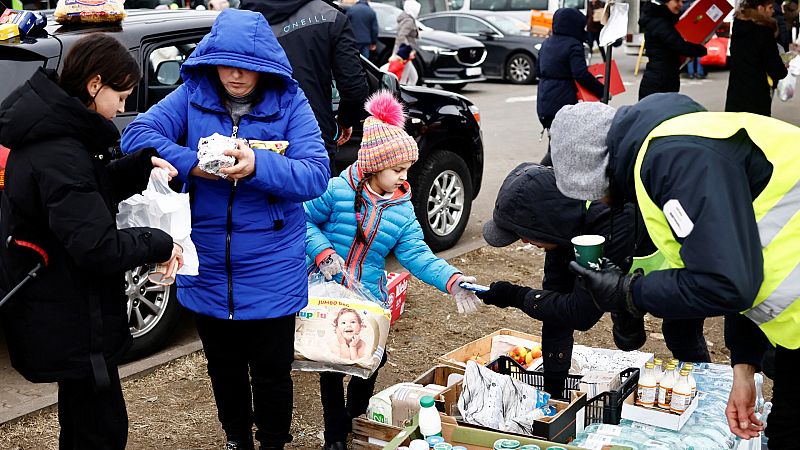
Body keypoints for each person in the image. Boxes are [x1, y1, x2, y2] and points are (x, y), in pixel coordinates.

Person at [120, 10, 330, 450]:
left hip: (272, 265)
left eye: (247, 65)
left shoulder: (289, 102)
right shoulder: (193, 95)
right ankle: (237, 438)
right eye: (226, 63)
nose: (235, 74)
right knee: (223, 368)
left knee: (272, 372)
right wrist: (190, 162)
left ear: (265, 65)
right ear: (210, 60)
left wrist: (258, 164)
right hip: (208, 263)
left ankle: (273, 441)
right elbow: (137, 135)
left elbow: (314, 174)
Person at [547, 94, 800, 449]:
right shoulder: (677, 142)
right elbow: (744, 259)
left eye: (594, 194)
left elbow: (725, 281)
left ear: (594, 169)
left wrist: (627, 292)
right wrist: (745, 366)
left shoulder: (673, 159)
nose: (603, 203)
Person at [0, 33, 180, 449]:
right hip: (71, 312)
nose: (122, 107)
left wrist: (136, 168)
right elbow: (96, 245)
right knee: (99, 431)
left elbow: (83, 197)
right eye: (121, 95)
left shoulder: (59, 136)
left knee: (86, 422)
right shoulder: (59, 150)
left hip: (66, 305)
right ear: (95, 84)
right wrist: (159, 241)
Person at [304, 91, 482, 450]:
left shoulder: (401, 210)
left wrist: (452, 280)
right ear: (373, 165)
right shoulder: (337, 190)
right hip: (328, 295)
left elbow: (418, 255)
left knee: (371, 359)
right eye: (397, 169)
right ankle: (335, 435)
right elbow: (302, 219)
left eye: (406, 170)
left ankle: (355, 416)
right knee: (329, 364)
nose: (405, 177)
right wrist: (322, 251)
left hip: (369, 299)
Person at [475, 163, 710, 398]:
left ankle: (707, 397)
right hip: (626, 270)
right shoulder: (559, 231)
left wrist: (514, 296)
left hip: (683, 263)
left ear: (546, 221)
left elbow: (581, 313)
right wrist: (553, 394)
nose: (524, 242)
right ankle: (626, 308)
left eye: (522, 234)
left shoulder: (610, 219)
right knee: (627, 338)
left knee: (681, 334)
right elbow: (557, 311)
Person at [241, 0, 370, 175]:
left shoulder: (243, 18)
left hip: (255, 139)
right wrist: (345, 121)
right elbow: (354, 88)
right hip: (314, 133)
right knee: (314, 199)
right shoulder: (330, 16)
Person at [536, 8, 604, 166]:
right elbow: (580, 74)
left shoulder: (547, 43)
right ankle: (539, 175)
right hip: (562, 98)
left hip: (545, 97)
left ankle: (550, 178)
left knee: (555, 139)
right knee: (558, 147)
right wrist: (601, 90)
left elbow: (539, 70)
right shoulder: (573, 45)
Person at [725, 0, 788, 116]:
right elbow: (776, 70)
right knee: (756, 132)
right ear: (760, 8)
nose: (773, 11)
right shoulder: (764, 32)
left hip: (735, 95)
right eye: (770, 8)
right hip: (756, 96)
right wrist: (783, 67)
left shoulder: (738, 26)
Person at [638, 0, 707, 100]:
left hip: (665, 77)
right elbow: (679, 45)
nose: (681, 4)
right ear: (665, 2)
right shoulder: (660, 21)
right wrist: (701, 50)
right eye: (676, 1)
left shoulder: (665, 19)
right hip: (659, 80)